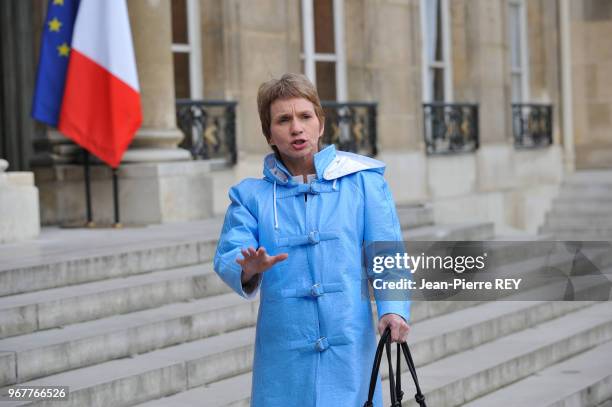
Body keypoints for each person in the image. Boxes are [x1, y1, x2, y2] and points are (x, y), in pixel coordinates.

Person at [214, 73, 410, 406]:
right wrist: (248, 268)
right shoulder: (252, 197)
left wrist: (393, 310)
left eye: (305, 116)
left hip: (348, 344)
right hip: (283, 353)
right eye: (283, 119)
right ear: (269, 133)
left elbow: (386, 253)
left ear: (320, 124)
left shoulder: (362, 183)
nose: (296, 128)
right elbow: (230, 252)